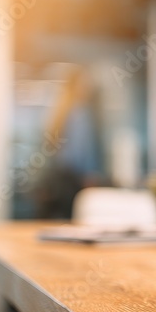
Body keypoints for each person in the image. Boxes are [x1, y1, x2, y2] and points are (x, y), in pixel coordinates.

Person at [35, 66, 104, 218]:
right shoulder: (80, 112)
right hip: (72, 178)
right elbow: (82, 148)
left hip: (60, 176)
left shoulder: (59, 110)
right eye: (84, 83)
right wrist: (90, 173)